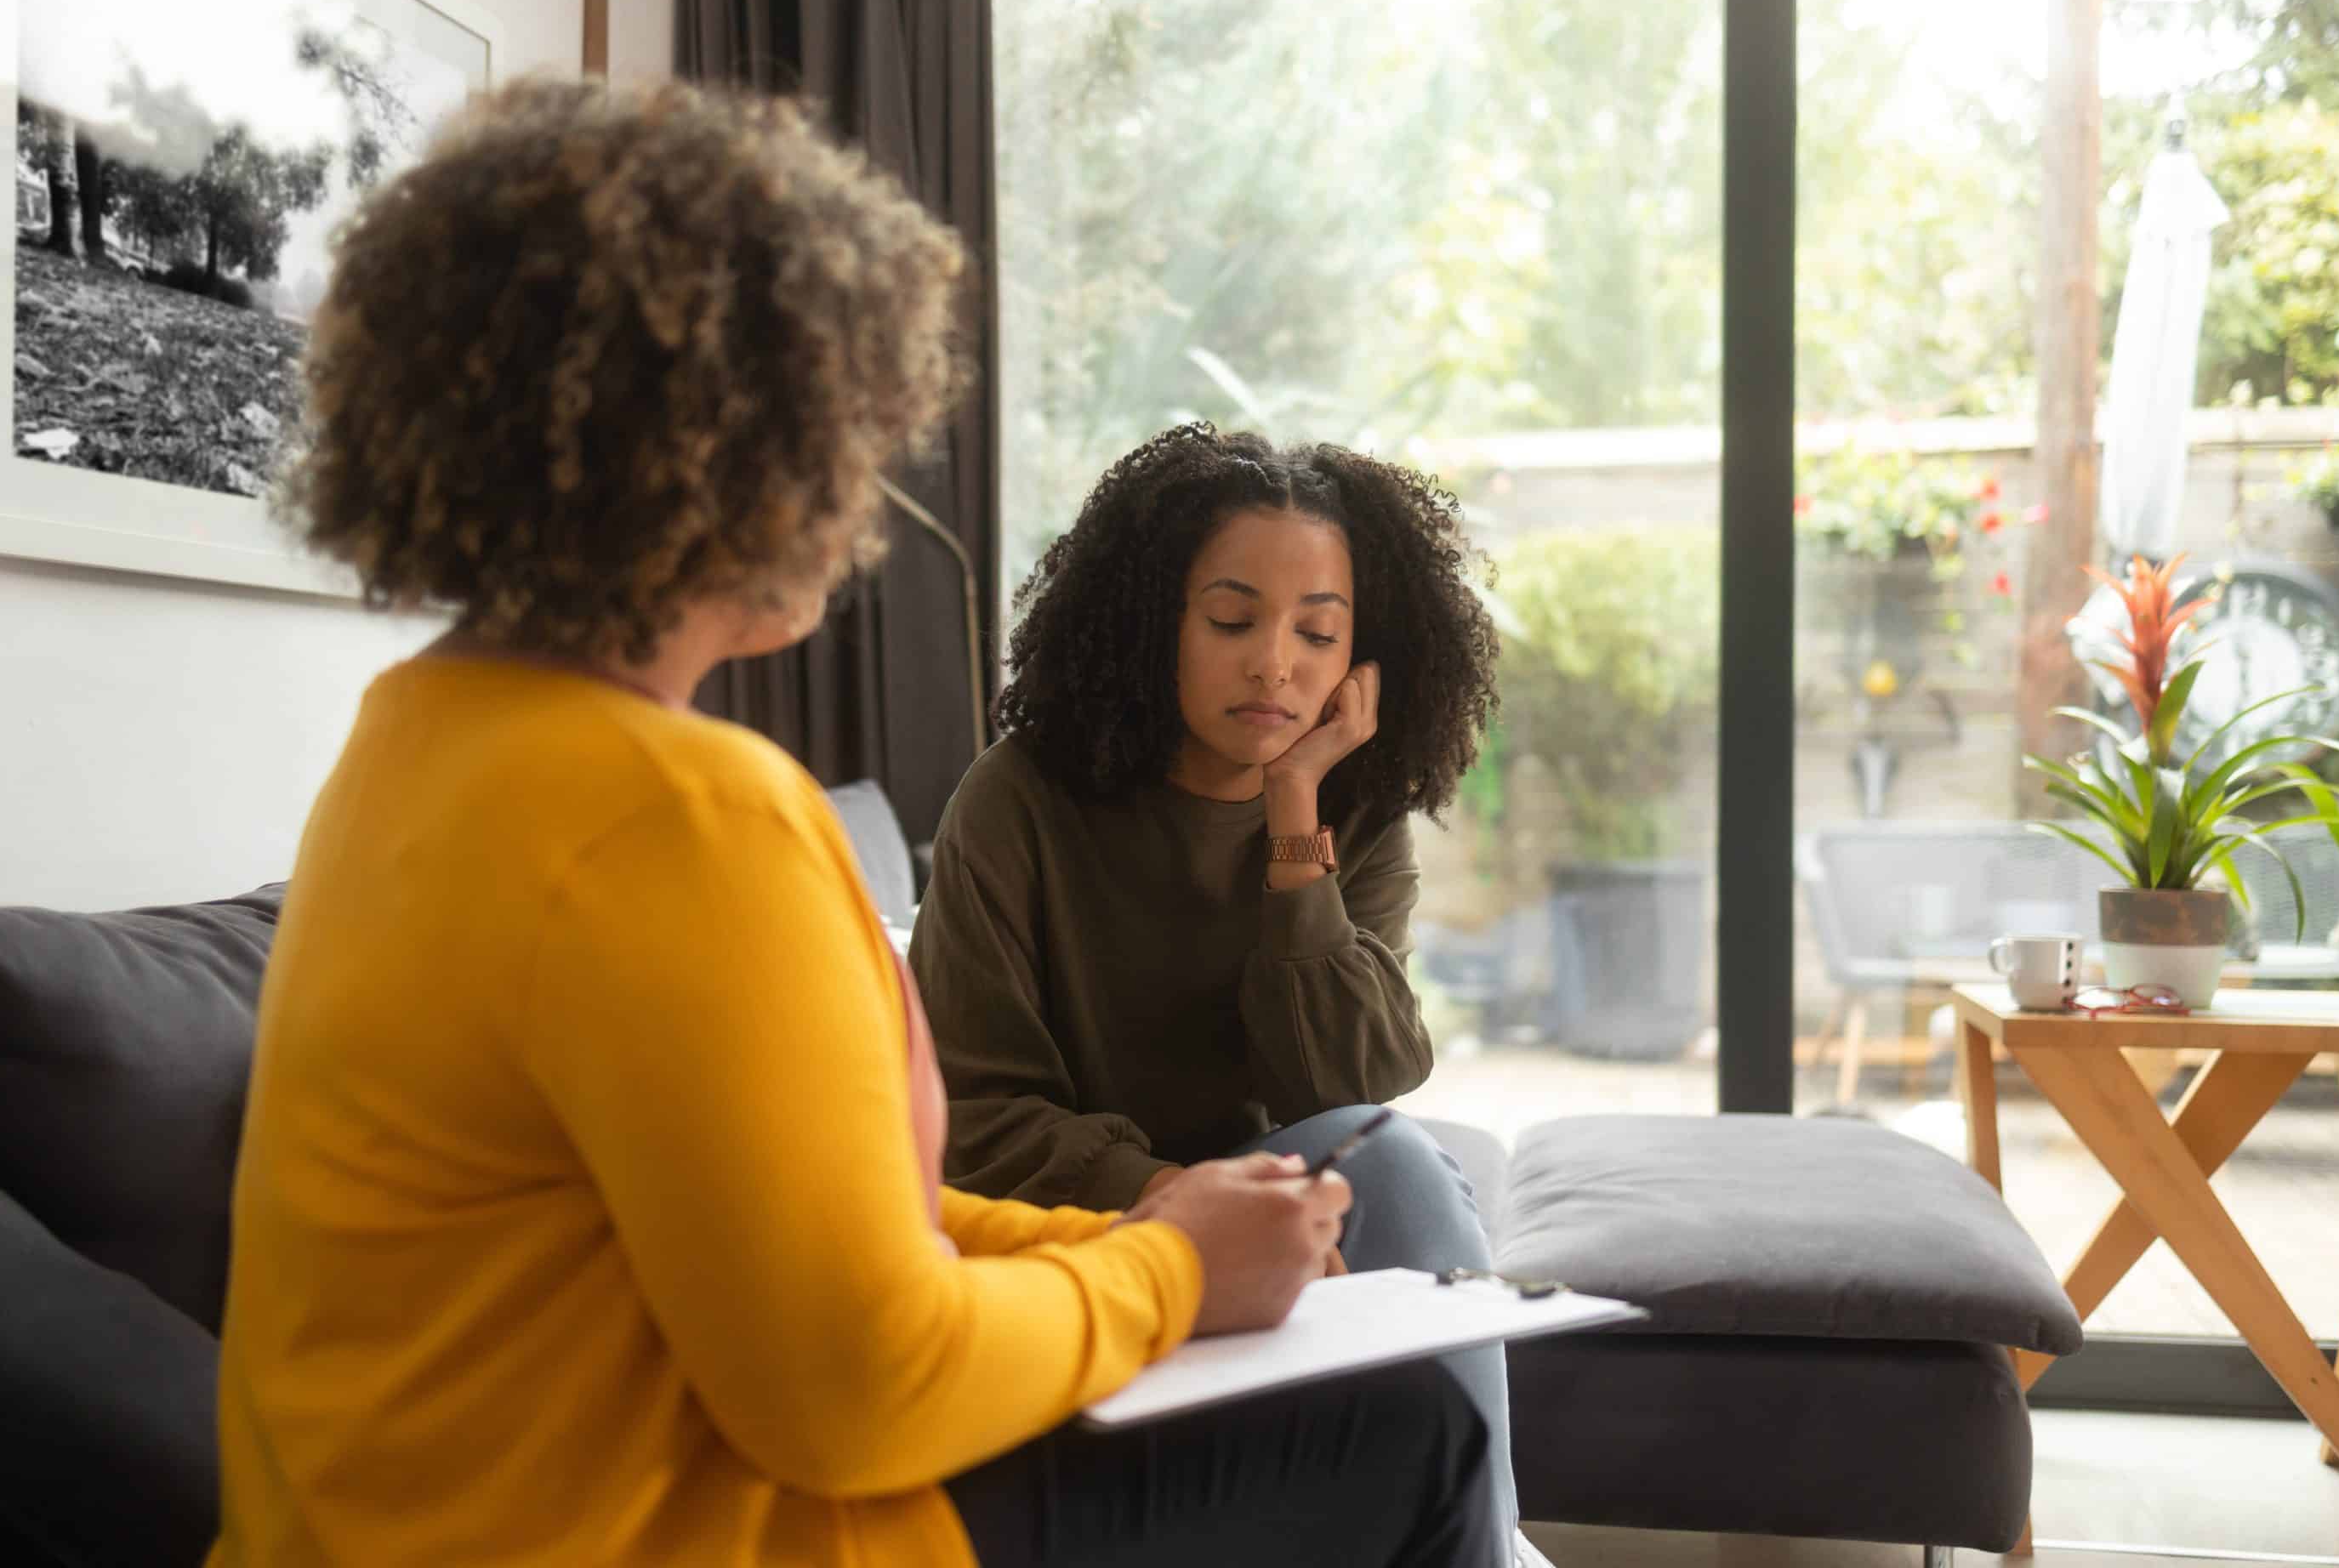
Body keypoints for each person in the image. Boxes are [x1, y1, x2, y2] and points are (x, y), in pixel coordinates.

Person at [207, 77, 1497, 1568]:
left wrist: (1158, 1236)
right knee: (1413, 1424)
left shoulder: (409, 749)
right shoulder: (686, 818)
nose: (861, 489)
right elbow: (858, 1388)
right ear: (723, 453)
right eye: (840, 430)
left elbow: (832, 1229)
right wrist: (1158, 1273)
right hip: (667, 1530)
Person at [909, 423, 1536, 1558]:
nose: (1277, 666)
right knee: (1389, 1163)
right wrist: (1197, 1214)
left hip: (1297, 1233)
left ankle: (1480, 1541)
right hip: (1099, 1239)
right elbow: (977, 1122)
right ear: (1158, 625)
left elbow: (1358, 1078)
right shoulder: (1017, 804)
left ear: (1366, 652)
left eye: (1318, 632)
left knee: (1388, 1153)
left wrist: (1296, 812)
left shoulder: (1355, 804)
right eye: (1234, 620)